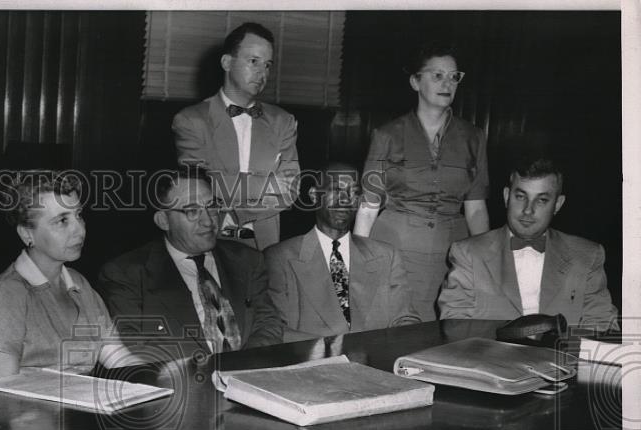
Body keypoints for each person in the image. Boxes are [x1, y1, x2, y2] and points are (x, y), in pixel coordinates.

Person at [354, 43, 490, 321]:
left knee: (443, 333)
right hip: (394, 248)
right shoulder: (387, 135)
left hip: (451, 254)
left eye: (454, 76)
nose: (447, 83)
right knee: (388, 326)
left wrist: (486, 261)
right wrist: (357, 260)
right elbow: (368, 207)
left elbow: (476, 209)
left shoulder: (473, 137)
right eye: (437, 75)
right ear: (415, 82)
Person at [97, 167, 283, 359]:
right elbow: (136, 345)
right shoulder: (127, 274)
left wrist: (241, 366)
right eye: (192, 211)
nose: (209, 221)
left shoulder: (247, 260)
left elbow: (267, 323)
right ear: (163, 221)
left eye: (211, 206)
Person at [0, 171, 142, 379]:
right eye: (62, 221)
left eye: (79, 215)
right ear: (27, 234)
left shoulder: (80, 284)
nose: (79, 230)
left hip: (82, 405)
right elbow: (2, 384)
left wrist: (161, 378)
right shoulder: (8, 293)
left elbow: (119, 358)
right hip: (32, 408)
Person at [438, 157, 620, 331]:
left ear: (557, 204)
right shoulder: (468, 254)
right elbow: (455, 326)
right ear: (506, 196)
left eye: (541, 200)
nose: (528, 210)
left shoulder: (586, 255)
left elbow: (602, 325)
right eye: (520, 196)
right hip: (491, 360)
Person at [172, 22, 299, 251]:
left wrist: (233, 197)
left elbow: (290, 189)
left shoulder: (283, 121)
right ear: (227, 62)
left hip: (266, 246)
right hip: (212, 241)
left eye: (268, 65)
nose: (263, 73)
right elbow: (201, 188)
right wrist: (268, 184)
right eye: (253, 61)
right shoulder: (191, 120)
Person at [265, 162, 420, 341]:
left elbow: (406, 320)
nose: (346, 200)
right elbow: (274, 329)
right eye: (337, 190)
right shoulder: (280, 258)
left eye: (354, 193)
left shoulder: (386, 256)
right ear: (314, 196)